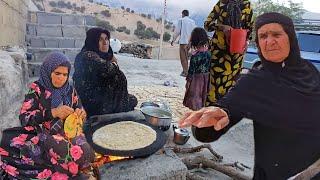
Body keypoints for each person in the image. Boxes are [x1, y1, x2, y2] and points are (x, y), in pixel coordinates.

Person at [179, 12, 320, 179]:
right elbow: (231, 104)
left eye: (276, 34)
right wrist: (215, 116)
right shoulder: (257, 80)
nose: (269, 41)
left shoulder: (310, 72)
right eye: (263, 36)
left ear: (290, 38)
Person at [0, 52, 95, 179]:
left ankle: (67, 168)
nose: (61, 78)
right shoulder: (37, 89)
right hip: (44, 134)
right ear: (48, 71)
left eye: (65, 74)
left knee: (88, 153)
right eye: (57, 73)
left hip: (69, 132)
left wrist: (81, 113)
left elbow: (78, 107)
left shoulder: (70, 90)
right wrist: (53, 113)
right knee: (65, 151)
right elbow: (25, 118)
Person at [73, 28, 137, 117]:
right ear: (93, 41)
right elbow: (107, 69)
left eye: (106, 38)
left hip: (105, 97)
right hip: (92, 103)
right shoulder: (87, 55)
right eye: (100, 39)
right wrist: (114, 63)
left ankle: (118, 105)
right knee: (129, 101)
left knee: (133, 99)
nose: (105, 42)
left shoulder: (104, 56)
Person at [204, 0, 253, 105]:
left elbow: (250, 28)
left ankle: (225, 113)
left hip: (237, 54)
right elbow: (207, 25)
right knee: (214, 84)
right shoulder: (221, 3)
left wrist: (247, 41)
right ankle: (209, 114)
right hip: (218, 53)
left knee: (232, 85)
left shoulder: (246, 5)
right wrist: (222, 27)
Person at [183, 27, 211, 110]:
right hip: (206, 79)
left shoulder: (195, 56)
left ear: (194, 40)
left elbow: (191, 71)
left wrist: (188, 82)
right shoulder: (209, 54)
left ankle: (196, 116)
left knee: (195, 98)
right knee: (203, 97)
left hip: (196, 80)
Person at [171, 9, 196, 77]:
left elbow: (177, 31)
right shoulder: (192, 22)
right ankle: (186, 71)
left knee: (183, 58)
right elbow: (194, 32)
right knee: (187, 57)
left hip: (183, 42)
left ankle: (186, 73)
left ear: (183, 14)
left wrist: (173, 40)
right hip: (190, 43)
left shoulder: (181, 20)